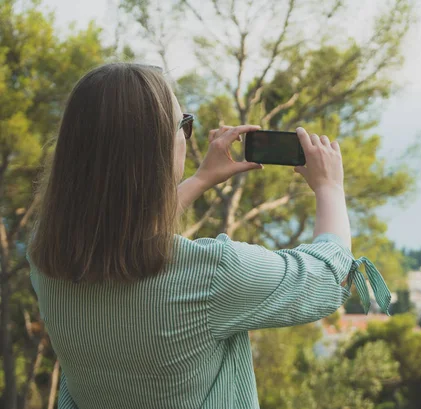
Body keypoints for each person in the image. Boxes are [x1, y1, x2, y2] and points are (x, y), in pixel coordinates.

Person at [27, 63, 390, 409]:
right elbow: (328, 277)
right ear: (156, 151)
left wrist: (200, 180)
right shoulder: (211, 274)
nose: (188, 137)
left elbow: (122, 235)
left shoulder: (46, 258)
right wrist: (330, 187)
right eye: (184, 126)